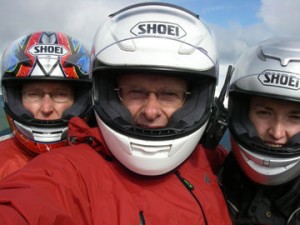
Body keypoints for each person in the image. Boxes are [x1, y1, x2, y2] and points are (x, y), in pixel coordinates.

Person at [0, 3, 231, 224]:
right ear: (110, 96)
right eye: (135, 92)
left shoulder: (206, 158)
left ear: (192, 102)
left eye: (169, 94)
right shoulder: (69, 171)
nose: (151, 111)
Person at [220, 37, 300, 224]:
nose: (277, 132)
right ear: (243, 115)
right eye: (264, 113)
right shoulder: (212, 177)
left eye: (295, 117)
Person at [0, 31, 92, 180]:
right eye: (34, 95)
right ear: (16, 98)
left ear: (79, 100)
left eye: (60, 94)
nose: (46, 108)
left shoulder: (101, 162)